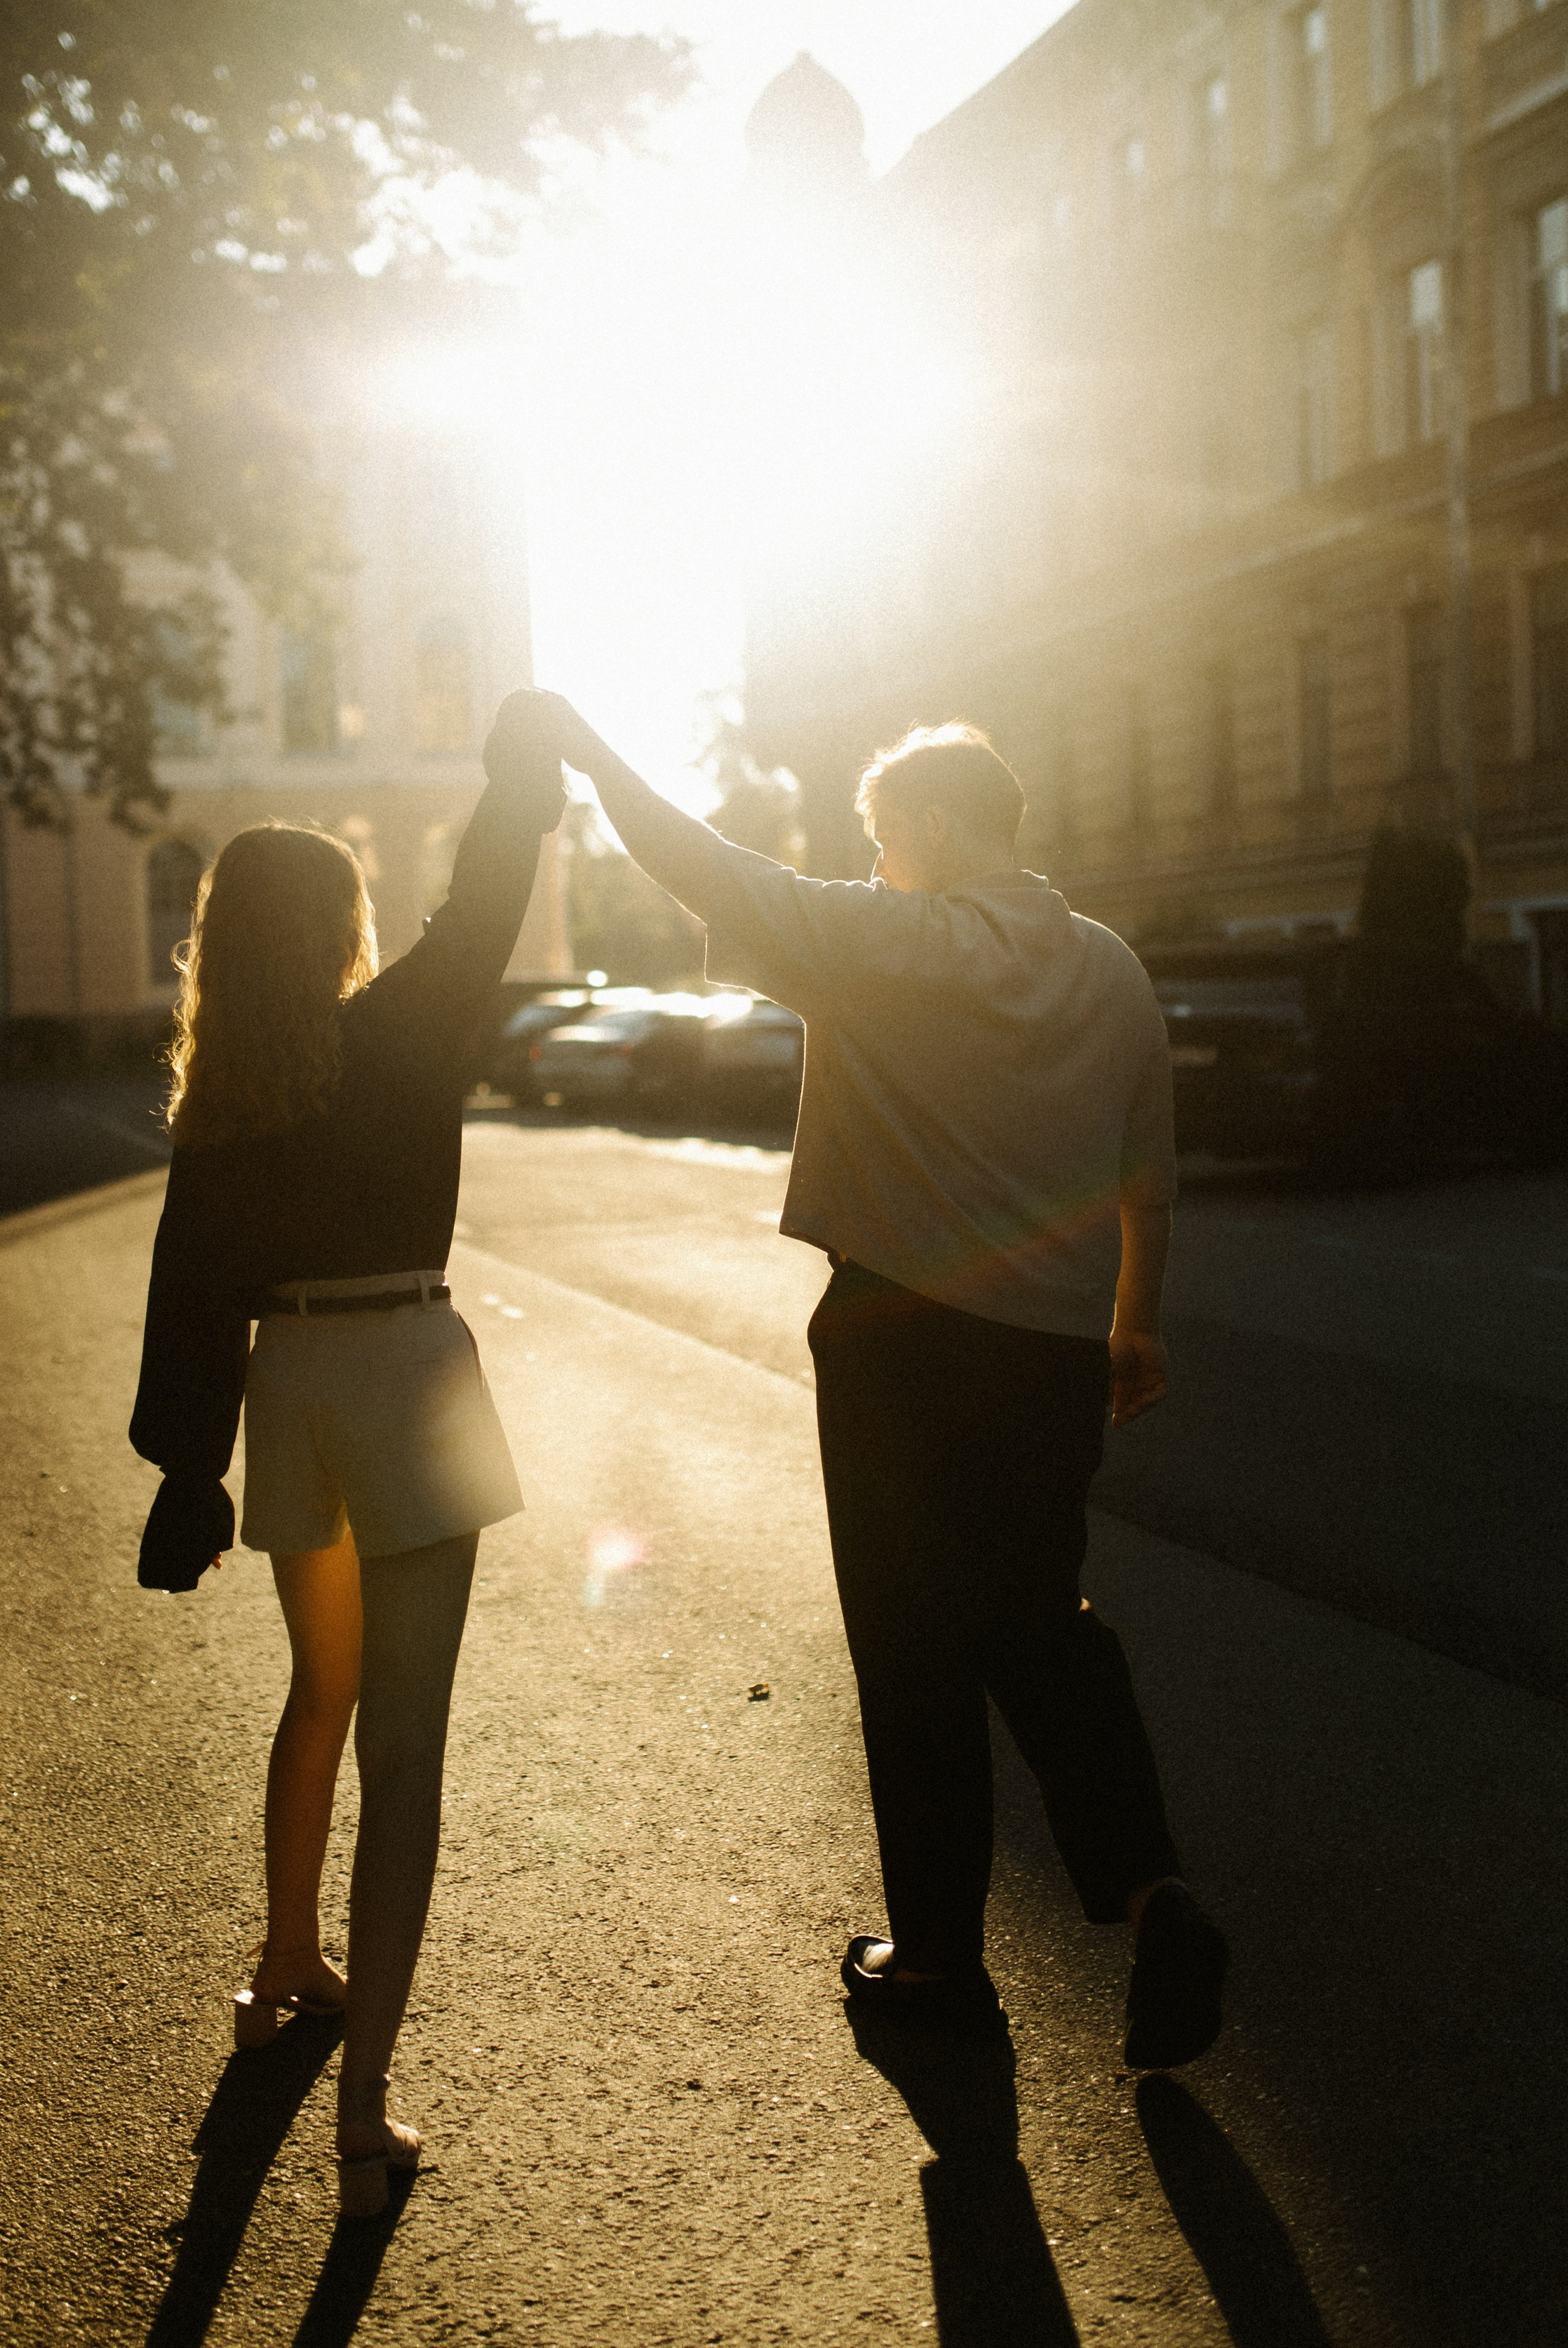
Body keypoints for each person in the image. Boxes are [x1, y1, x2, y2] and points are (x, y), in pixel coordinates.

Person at [535, 696, 1226, 2067]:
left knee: (912, 1648)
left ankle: (939, 1962)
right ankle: (1158, 1898)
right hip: (1050, 1352)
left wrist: (592, 753)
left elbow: (702, 865)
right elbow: (1145, 1169)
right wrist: (1133, 1324)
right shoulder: (1108, 968)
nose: (877, 862)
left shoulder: (884, 944)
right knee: (1042, 1626)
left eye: (884, 837)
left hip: (898, 1344)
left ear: (932, 827)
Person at [129, 692, 565, 2214]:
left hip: (293, 1385)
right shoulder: (405, 1029)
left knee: (320, 1690)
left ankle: (284, 1960)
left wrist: (187, 1469)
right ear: (339, 927)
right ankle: (365, 2109)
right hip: (410, 1377)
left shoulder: (224, 1100)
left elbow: (191, 1289)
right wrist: (518, 764)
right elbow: (486, 896)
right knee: (408, 1747)